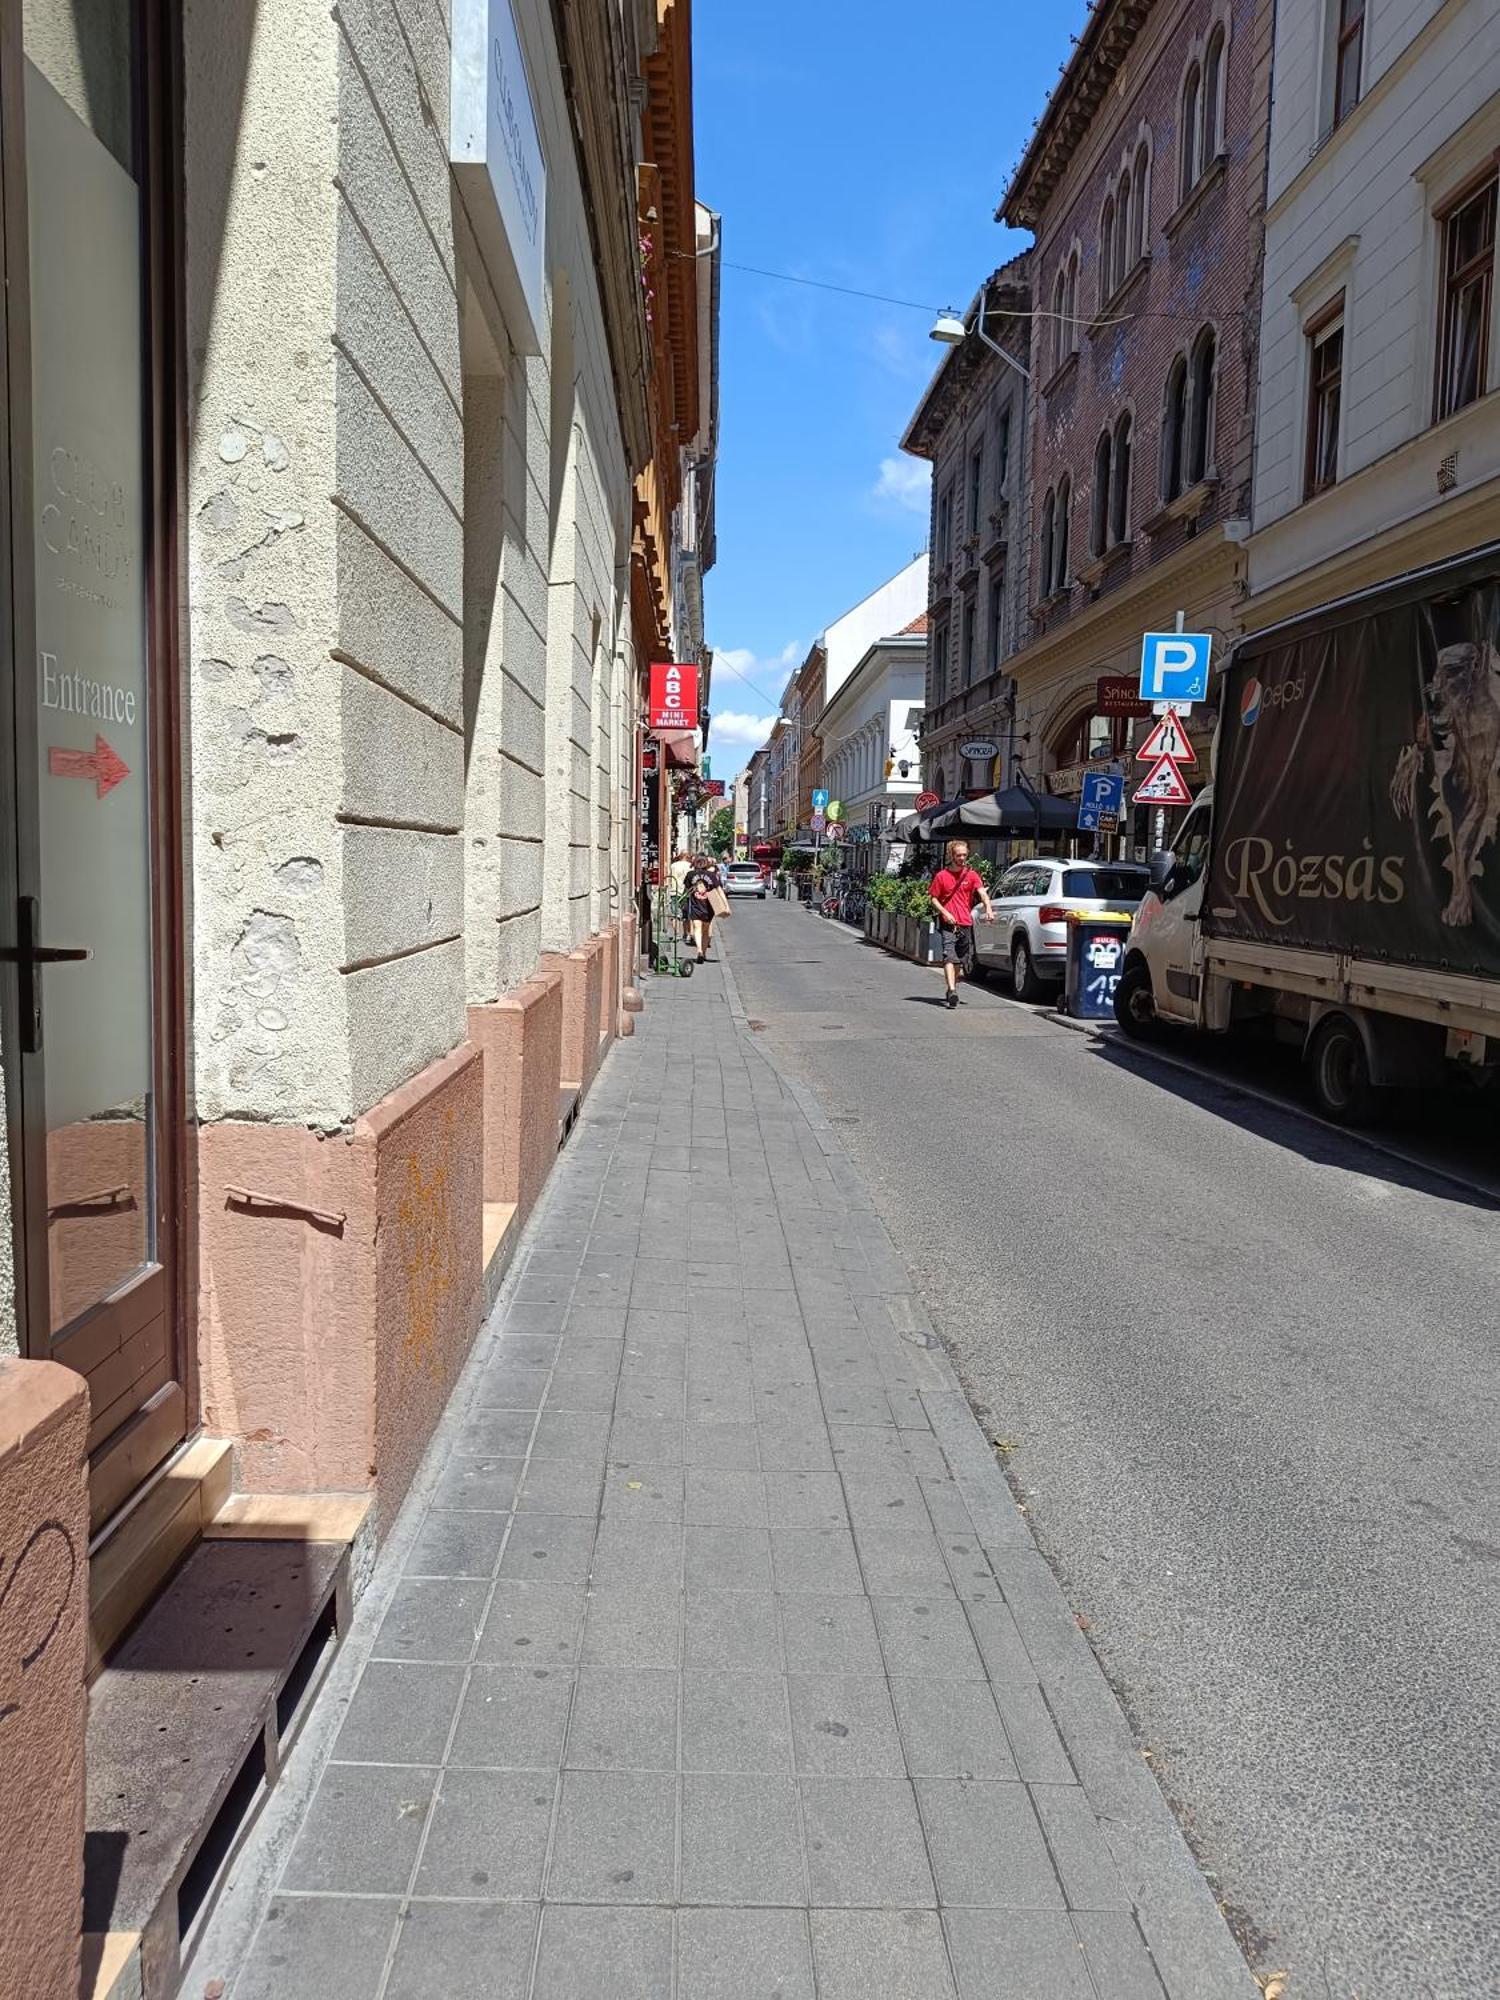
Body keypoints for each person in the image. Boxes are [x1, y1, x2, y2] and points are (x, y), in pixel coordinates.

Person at [929, 839, 994, 1010]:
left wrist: (988, 908)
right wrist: (945, 913)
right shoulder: (942, 876)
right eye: (958, 855)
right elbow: (934, 899)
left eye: (964, 855)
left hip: (965, 923)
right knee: (949, 956)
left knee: (959, 960)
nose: (962, 858)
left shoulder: (971, 875)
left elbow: (982, 893)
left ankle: (953, 987)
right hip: (948, 924)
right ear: (952, 855)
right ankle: (951, 990)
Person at [684, 851, 720, 962]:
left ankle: (699, 950)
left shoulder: (690, 874)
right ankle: (703, 953)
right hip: (709, 906)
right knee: (706, 930)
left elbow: (686, 889)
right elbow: (718, 889)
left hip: (695, 905)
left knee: (697, 928)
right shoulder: (711, 875)